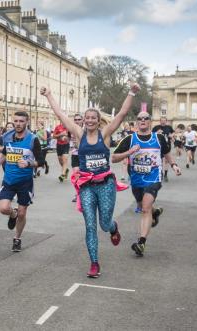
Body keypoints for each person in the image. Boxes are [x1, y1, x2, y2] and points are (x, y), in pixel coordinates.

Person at [42, 84, 139, 277]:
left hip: (106, 185)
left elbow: (121, 114)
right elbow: (61, 114)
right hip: (86, 186)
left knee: (104, 223)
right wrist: (49, 95)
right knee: (90, 226)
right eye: (87, 118)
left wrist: (131, 93)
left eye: (93, 118)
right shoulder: (79, 134)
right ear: (84, 121)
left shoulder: (105, 134)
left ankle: (113, 228)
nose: (90, 121)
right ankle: (94, 263)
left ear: (98, 120)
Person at [112, 111, 181, 257]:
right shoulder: (129, 139)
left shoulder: (159, 137)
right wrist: (129, 152)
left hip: (153, 178)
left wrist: (174, 165)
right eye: (139, 119)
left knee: (145, 209)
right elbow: (114, 158)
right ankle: (155, 212)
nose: (142, 120)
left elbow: (167, 152)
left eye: (146, 118)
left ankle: (141, 242)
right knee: (141, 205)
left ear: (150, 121)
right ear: (137, 122)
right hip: (136, 180)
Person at [0, 111, 45, 252]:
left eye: (21, 121)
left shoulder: (32, 139)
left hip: (25, 182)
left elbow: (41, 162)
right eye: (16, 121)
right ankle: (13, 214)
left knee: (23, 213)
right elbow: (4, 154)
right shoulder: (8, 137)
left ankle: (17, 238)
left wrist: (29, 164)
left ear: (27, 122)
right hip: (9, 180)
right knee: (4, 208)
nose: (18, 124)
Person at [152, 117, 174, 182]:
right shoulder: (156, 127)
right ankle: (160, 172)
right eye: (162, 120)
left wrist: (171, 135)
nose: (163, 121)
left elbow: (173, 133)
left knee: (166, 160)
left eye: (164, 120)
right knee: (160, 160)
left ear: (166, 121)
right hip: (158, 146)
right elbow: (151, 135)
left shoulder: (169, 127)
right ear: (160, 121)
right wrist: (156, 132)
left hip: (167, 145)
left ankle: (166, 175)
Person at [69, 114, 84, 201]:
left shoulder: (86, 130)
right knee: (76, 174)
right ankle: (77, 194)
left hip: (84, 155)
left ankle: (84, 192)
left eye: (79, 119)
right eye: (75, 119)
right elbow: (67, 138)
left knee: (84, 175)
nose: (77, 121)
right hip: (75, 155)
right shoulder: (71, 130)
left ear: (82, 120)